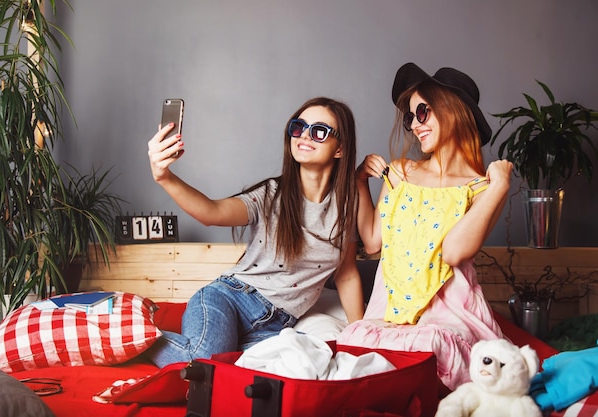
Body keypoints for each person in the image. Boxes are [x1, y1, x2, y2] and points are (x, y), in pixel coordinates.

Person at [145, 97, 364, 367]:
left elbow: (347, 273)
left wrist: (360, 336)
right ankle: (130, 334)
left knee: (271, 371)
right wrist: (164, 176)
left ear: (340, 148)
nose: (305, 136)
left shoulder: (347, 205)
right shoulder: (270, 195)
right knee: (202, 362)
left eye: (319, 131)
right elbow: (211, 212)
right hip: (231, 299)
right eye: (299, 127)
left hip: (276, 326)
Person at [336, 63, 513, 391]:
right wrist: (360, 181)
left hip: (448, 317)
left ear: (452, 109)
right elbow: (373, 242)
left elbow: (454, 251)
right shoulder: (402, 171)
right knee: (362, 353)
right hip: (388, 313)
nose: (415, 126)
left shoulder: (483, 187)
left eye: (422, 112)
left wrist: (500, 186)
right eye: (410, 117)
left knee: (431, 355)